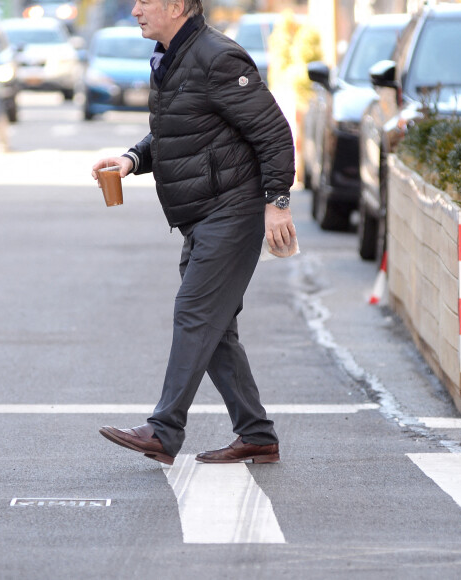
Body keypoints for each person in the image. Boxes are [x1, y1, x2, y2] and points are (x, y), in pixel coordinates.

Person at [93, 0, 296, 465]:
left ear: (178, 6)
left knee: (194, 313)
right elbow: (177, 130)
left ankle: (163, 430)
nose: (135, 10)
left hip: (233, 209)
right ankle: (257, 433)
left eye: (145, 1)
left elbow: (273, 132)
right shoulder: (173, 58)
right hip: (204, 213)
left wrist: (277, 203)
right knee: (214, 327)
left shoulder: (217, 57)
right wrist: (132, 159)